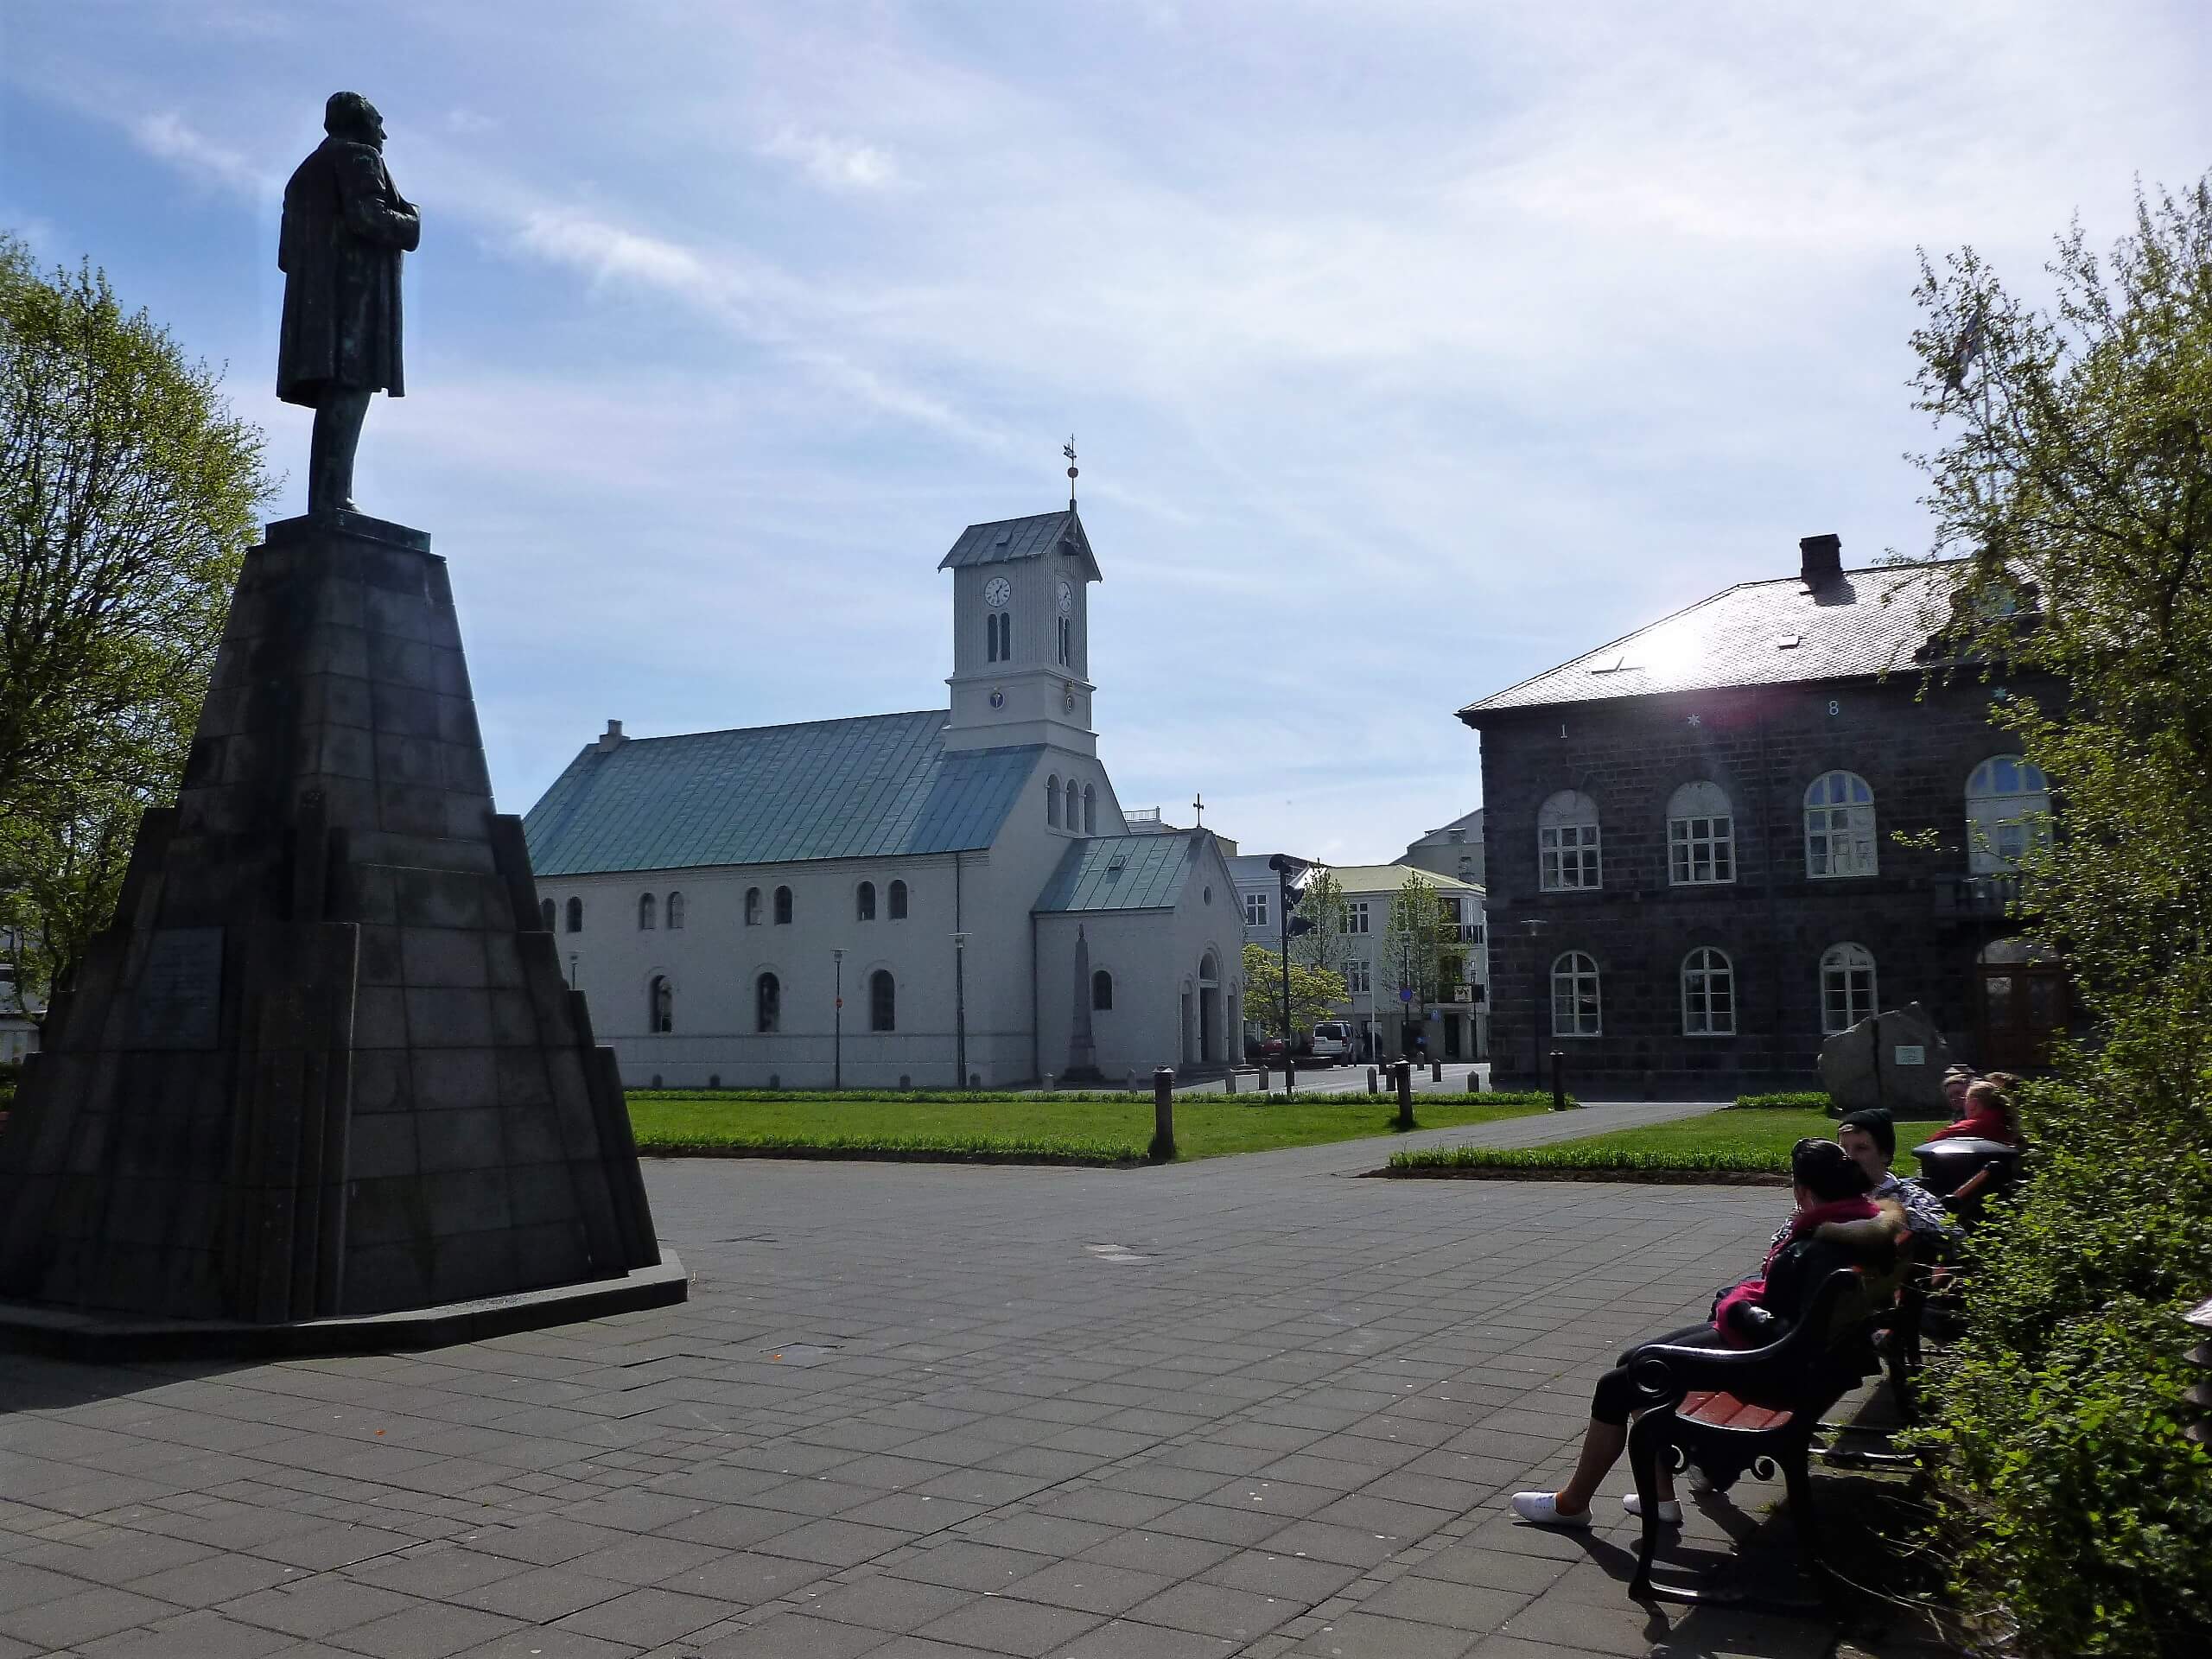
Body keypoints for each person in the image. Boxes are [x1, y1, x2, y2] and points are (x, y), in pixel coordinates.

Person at [1510, 1140, 1899, 1529]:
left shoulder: (1820, 1247)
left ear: (1803, 1191)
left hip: (1775, 1370)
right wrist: (1744, 1301)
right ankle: (1659, 1499)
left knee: (1622, 1381)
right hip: (1808, 1366)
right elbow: (1798, 1312)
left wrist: (1738, 1307)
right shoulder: (1858, 1227)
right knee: (1634, 1361)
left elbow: (1782, 1331)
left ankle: (1572, 1504)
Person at [1834, 1109, 1952, 1243]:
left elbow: (1954, 1234)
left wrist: (1894, 1213)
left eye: (1861, 1148)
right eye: (1843, 1149)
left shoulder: (1911, 1196)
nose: (1850, 1157)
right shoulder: (1833, 1193)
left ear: (1885, 1154)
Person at [1939, 1079, 2017, 1146]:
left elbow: (1932, 1144)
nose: (1955, 1099)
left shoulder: (1971, 1127)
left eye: (1965, 1098)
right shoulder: (2007, 1119)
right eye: (1950, 1096)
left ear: (1974, 1103)